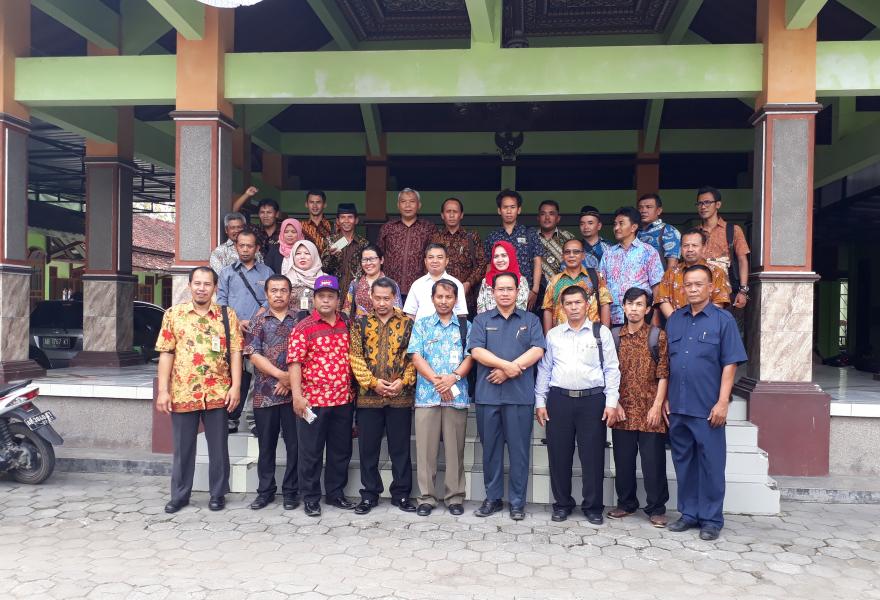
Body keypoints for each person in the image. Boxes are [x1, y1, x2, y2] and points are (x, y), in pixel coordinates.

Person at [665, 265, 747, 541]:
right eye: (688, 284)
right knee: (684, 463)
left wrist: (723, 402)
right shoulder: (675, 319)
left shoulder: (723, 320)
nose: (693, 289)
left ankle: (711, 519)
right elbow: (667, 363)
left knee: (711, 464)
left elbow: (730, 364)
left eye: (699, 284)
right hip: (679, 406)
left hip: (707, 407)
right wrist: (665, 399)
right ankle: (689, 514)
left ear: (711, 287)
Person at [155, 266, 242, 514]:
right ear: (189, 285)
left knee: (218, 448)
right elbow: (166, 353)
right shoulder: (174, 315)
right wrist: (163, 390)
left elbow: (236, 352)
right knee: (183, 449)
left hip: (218, 392)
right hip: (183, 391)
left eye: (207, 284)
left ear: (215, 287)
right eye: (197, 283)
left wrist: (236, 387)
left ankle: (218, 493)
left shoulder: (227, 315)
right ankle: (180, 495)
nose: (202, 288)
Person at [535, 283, 619, 523]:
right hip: (559, 399)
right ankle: (562, 504)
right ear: (562, 307)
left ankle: (593, 507)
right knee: (558, 454)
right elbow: (545, 369)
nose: (573, 307)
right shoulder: (554, 335)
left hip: (592, 400)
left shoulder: (600, 332)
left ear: (587, 304)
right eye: (569, 303)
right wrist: (540, 401)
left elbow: (611, 368)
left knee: (592, 456)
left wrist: (611, 402)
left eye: (578, 302)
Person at [469, 272, 545, 520]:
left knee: (519, 452)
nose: (504, 293)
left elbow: (538, 349)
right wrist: (506, 367)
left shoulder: (530, 320)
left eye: (509, 289)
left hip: (519, 397)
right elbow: (476, 351)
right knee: (490, 451)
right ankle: (492, 499)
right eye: (500, 289)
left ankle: (517, 502)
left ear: (517, 291)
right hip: (488, 396)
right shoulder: (481, 320)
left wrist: (512, 370)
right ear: (492, 292)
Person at [287, 275, 356, 517]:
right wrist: (297, 396)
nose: (326, 301)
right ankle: (311, 498)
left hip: (343, 400)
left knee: (341, 451)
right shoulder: (303, 327)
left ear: (337, 300)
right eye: (321, 296)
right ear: (314, 299)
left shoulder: (347, 324)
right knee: (311, 452)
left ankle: (336, 494)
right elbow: (294, 363)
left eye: (330, 296)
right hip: (313, 401)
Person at [349, 277, 417, 515]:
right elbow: (355, 356)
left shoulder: (407, 323)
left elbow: (414, 357)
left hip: (400, 397)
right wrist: (372, 383)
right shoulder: (360, 323)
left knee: (400, 449)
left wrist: (403, 381)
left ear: (394, 298)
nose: (381, 303)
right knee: (368, 449)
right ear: (370, 297)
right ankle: (369, 494)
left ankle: (402, 494)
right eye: (377, 298)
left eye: (386, 298)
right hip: (369, 397)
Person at [408, 279, 474, 517]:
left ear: (456, 300)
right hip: (428, 396)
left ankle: (454, 497)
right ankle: (427, 497)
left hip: (456, 396)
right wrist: (438, 381)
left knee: (455, 450)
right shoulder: (422, 325)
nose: (444, 301)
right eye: (439, 297)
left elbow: (471, 356)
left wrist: (453, 378)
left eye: (449, 297)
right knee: (425, 450)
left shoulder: (466, 326)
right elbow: (416, 356)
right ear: (432, 299)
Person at [608, 287, 670, 527]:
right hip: (622, 410)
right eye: (630, 304)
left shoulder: (657, 336)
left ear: (647, 309)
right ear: (623, 307)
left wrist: (657, 406)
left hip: (649, 410)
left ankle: (656, 508)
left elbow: (663, 373)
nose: (634, 309)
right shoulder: (614, 336)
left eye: (639, 304)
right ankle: (626, 503)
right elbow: (607, 373)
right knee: (623, 461)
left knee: (653, 463)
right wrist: (615, 403)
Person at [243, 275, 300, 512]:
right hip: (265, 394)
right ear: (266, 294)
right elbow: (253, 354)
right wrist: (281, 376)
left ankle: (291, 492)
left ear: (290, 294)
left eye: (283, 290)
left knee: (295, 446)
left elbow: (307, 354)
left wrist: (290, 381)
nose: (278, 294)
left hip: (295, 395)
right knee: (266, 446)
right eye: (274, 290)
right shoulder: (258, 321)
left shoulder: (300, 320)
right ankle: (265, 491)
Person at [217, 230, 274, 434]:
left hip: (259, 334)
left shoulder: (267, 272)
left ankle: (253, 420)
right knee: (234, 375)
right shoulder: (227, 273)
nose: (245, 249)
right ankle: (231, 419)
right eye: (241, 245)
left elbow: (271, 298)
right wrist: (236, 321)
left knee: (257, 375)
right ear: (236, 247)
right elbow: (221, 301)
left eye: (249, 246)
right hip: (233, 331)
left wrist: (258, 317)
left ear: (257, 248)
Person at [599, 207, 664, 327]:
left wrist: (655, 315)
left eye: (621, 223)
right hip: (614, 318)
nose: (616, 228)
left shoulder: (648, 251)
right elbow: (602, 288)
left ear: (633, 227)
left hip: (642, 318)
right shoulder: (608, 254)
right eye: (615, 224)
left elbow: (657, 287)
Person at [484, 190, 544, 310]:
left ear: (519, 209)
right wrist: (488, 289)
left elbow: (537, 261)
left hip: (525, 291)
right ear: (499, 210)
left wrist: (535, 290)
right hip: (499, 293)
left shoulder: (529, 233)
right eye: (505, 207)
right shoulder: (493, 236)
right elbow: (489, 265)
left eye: (512, 207)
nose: (509, 211)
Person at [654, 229, 731, 318]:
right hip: (676, 323)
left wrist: (699, 322)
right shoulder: (670, 273)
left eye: (694, 245)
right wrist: (676, 321)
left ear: (704, 248)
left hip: (707, 323)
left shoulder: (716, 272)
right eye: (685, 246)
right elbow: (663, 301)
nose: (690, 249)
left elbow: (719, 302)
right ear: (680, 248)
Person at [542, 238, 613, 332]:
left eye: (576, 252)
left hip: (592, 335)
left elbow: (604, 304)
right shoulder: (554, 281)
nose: (571, 255)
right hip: (562, 336)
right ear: (562, 256)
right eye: (567, 252)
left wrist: (604, 333)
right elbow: (548, 310)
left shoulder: (594, 277)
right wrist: (548, 337)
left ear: (583, 256)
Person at [696, 186, 750, 309]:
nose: (703, 207)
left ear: (718, 204)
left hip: (727, 292)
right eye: (699, 203)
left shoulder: (733, 230)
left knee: (725, 320)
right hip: (699, 292)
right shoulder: (694, 233)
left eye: (707, 202)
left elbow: (742, 261)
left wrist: (743, 292)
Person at [378, 188, 436, 299]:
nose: (407, 205)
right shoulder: (388, 228)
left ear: (419, 205)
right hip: (390, 288)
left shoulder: (428, 228)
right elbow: (379, 255)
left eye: (412, 201)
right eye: (403, 201)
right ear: (398, 205)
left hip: (420, 288)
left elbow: (434, 256)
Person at [431, 197, 486, 313]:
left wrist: (468, 283)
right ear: (442, 215)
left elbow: (482, 264)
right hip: (441, 297)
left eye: (455, 212)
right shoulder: (435, 237)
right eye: (448, 211)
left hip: (467, 298)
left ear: (461, 215)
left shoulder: (471, 237)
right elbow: (429, 264)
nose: (451, 215)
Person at [403, 243, 468, 320]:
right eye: (431, 257)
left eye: (439, 257)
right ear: (425, 261)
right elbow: (410, 314)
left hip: (449, 327)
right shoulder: (417, 284)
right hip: (421, 327)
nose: (435, 261)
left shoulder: (456, 284)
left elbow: (461, 314)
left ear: (446, 261)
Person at [321, 203, 369, 297]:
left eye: (350, 217)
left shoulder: (364, 244)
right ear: (337, 221)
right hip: (333, 291)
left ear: (356, 220)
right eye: (343, 217)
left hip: (356, 291)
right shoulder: (330, 241)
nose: (346, 221)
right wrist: (331, 256)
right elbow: (324, 269)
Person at [343, 245, 403, 318]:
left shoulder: (391, 285)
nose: (368, 263)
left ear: (381, 260)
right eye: (364, 260)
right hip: (359, 325)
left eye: (372, 259)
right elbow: (346, 311)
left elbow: (398, 313)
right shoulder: (355, 283)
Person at [476, 240, 529, 314]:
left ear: (511, 256)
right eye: (496, 256)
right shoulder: (486, 281)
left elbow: (520, 310)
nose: (500, 260)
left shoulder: (521, 281)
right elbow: (480, 308)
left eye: (504, 255)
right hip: (487, 321)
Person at [233, 187, 283, 256]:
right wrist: (247, 194)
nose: (265, 216)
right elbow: (234, 213)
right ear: (258, 214)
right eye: (262, 212)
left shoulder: (283, 231)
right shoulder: (254, 230)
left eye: (269, 212)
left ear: (276, 214)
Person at [637, 193, 681, 269]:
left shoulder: (669, 231)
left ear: (659, 210)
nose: (643, 210)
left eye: (648, 207)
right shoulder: (635, 232)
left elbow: (672, 265)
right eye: (640, 208)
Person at [537, 199, 575, 284]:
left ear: (558, 218)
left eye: (551, 214)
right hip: (537, 288)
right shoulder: (531, 238)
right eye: (543, 214)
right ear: (538, 218)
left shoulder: (568, 238)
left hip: (564, 286)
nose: (547, 218)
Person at [281, 240, 325, 313]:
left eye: (307, 253)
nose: (302, 257)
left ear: (314, 255)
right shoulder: (285, 279)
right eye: (298, 253)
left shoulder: (325, 279)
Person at [300, 190, 334, 256]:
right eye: (311, 202)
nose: (315, 206)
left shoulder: (333, 226)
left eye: (318, 202)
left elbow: (341, 246)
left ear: (324, 205)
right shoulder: (300, 226)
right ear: (306, 204)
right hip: (306, 262)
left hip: (328, 262)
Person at [578, 205, 611, 270]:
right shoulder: (575, 248)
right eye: (582, 224)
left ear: (599, 226)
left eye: (590, 223)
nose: (586, 227)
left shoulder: (609, 247)